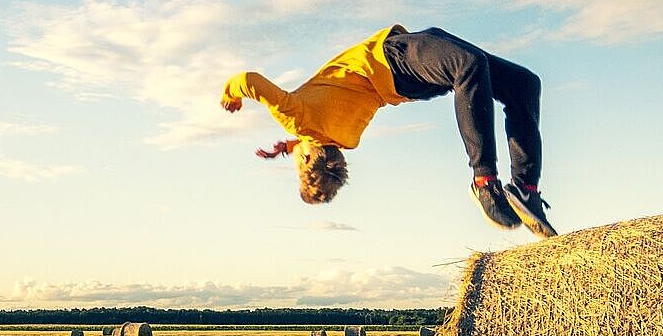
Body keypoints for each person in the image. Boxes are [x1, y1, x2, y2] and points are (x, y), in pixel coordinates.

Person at [219, 24, 556, 237]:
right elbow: (248, 81)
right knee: (468, 65)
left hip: (411, 82)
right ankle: (484, 182)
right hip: (394, 59)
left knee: (523, 84)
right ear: (307, 155)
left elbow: (318, 139)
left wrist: (290, 145)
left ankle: (526, 188)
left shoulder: (345, 140)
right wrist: (229, 95)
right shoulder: (298, 119)